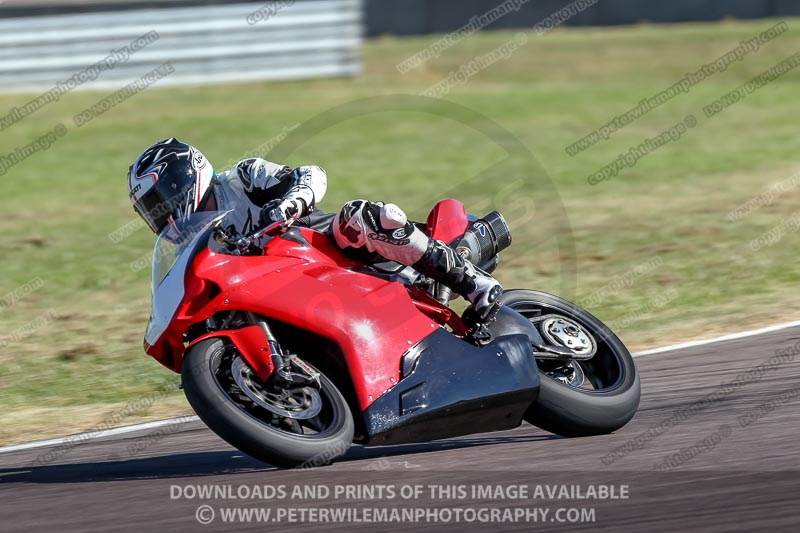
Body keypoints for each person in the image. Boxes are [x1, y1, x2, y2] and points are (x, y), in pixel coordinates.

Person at [127, 138, 502, 316]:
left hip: (331, 250)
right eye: (151, 212)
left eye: (161, 199)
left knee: (362, 218)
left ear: (184, 177)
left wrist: (290, 202)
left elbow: (311, 174)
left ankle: (473, 283)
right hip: (298, 292)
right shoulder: (195, 245)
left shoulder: (241, 179)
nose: (162, 216)